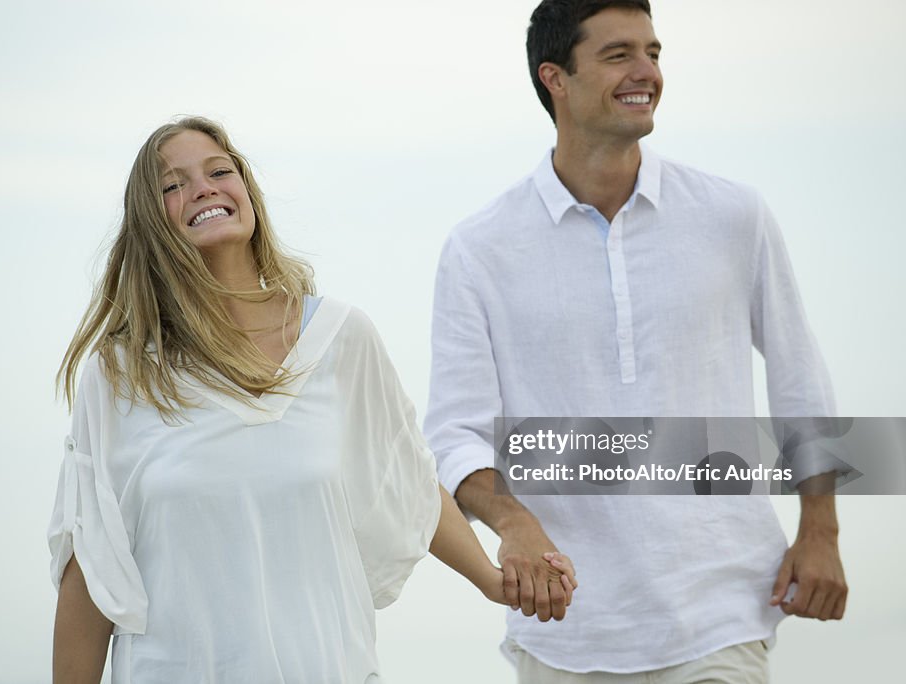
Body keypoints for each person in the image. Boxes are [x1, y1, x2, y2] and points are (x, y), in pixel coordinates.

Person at [47, 116, 567, 683]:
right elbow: (91, 571)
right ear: (152, 222)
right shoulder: (122, 374)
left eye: (219, 171)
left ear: (247, 191)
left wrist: (494, 580)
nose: (202, 188)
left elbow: (408, 479)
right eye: (172, 185)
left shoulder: (341, 339)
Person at [424, 1, 848, 681]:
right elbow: (454, 432)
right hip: (564, 632)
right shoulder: (480, 249)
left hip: (722, 612)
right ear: (554, 78)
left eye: (653, 52)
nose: (646, 71)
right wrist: (513, 523)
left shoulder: (733, 215)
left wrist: (820, 530)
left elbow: (801, 381)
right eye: (619, 54)